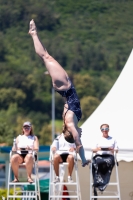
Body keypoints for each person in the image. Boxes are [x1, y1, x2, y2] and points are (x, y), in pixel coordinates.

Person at [28, 19, 89, 167]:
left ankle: (33, 34)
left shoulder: (70, 124)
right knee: (46, 57)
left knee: (46, 56)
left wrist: (84, 159)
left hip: (65, 87)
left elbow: (78, 143)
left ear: (70, 133)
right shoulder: (71, 121)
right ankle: (34, 34)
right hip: (64, 87)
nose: (80, 134)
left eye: (76, 135)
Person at [91, 124, 118, 195]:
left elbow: (117, 150)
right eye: (103, 129)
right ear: (101, 131)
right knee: (98, 162)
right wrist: (99, 149)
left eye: (106, 129)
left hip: (109, 156)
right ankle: (98, 181)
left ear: (108, 130)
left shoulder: (113, 139)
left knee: (108, 162)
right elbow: (93, 149)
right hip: (99, 156)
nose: (105, 130)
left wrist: (111, 149)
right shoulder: (97, 139)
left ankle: (101, 181)